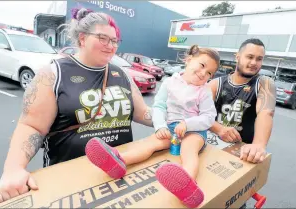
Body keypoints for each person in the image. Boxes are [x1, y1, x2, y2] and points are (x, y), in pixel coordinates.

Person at [0, 7, 158, 203]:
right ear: (82, 38)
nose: (110, 45)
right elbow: (31, 126)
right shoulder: (53, 75)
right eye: (102, 38)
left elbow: (143, 113)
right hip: (69, 180)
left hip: (120, 170)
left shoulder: (121, 74)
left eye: (114, 41)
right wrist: (14, 169)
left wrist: (175, 120)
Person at [86, 45, 219, 208]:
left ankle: (188, 185)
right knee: (151, 143)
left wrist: (187, 123)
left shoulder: (204, 91)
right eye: (203, 66)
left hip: (194, 131)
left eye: (209, 73)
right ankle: (118, 161)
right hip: (170, 128)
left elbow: (209, 117)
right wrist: (160, 126)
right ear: (189, 60)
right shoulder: (169, 83)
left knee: (188, 149)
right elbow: (159, 106)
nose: (203, 74)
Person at [207, 38, 276, 209]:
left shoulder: (265, 84)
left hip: (241, 156)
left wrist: (259, 145)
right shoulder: (216, 84)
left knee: (234, 201)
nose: (254, 63)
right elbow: (197, 114)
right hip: (209, 152)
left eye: (259, 59)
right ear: (237, 56)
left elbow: (266, 112)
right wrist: (219, 129)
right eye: (249, 56)